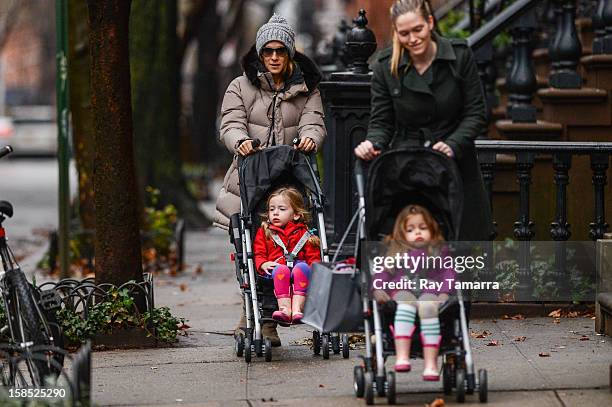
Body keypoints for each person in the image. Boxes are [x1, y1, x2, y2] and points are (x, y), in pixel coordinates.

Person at [214, 14, 326, 346]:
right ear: (259, 53)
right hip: (251, 177)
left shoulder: (307, 87)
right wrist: (240, 141)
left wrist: (310, 138)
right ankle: (255, 317)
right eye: (268, 51)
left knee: (294, 246)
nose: (274, 57)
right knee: (252, 247)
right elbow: (230, 123)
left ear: (290, 53)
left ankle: (295, 307)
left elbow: (314, 122)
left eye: (280, 50)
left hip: (292, 180)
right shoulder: (240, 86)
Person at [354, 0, 493, 241]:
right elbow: (381, 122)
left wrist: (453, 143)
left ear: (429, 23)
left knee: (462, 245)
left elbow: (476, 112)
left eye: (417, 30)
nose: (413, 39)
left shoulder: (459, 56)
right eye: (404, 33)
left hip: (455, 163)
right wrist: (372, 143)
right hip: (408, 167)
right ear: (397, 33)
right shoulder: (386, 67)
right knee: (410, 245)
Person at [373, 205, 454, 380]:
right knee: (405, 304)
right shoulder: (395, 253)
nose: (417, 232)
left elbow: (448, 273)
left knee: (429, 307)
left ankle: (431, 364)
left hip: (429, 292)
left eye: (423, 228)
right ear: (402, 234)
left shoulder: (438, 252)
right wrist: (378, 288)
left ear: (432, 230)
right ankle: (402, 356)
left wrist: (445, 293)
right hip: (402, 292)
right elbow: (381, 273)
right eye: (411, 229)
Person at [253, 187, 321, 325]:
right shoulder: (265, 232)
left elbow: (313, 258)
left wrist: (315, 271)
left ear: (295, 214)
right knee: (281, 270)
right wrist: (263, 264)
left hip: (300, 271)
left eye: (281, 209)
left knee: (302, 267)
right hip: (277, 270)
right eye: (272, 209)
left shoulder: (304, 233)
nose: (275, 213)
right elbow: (258, 253)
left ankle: (297, 309)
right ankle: (285, 309)